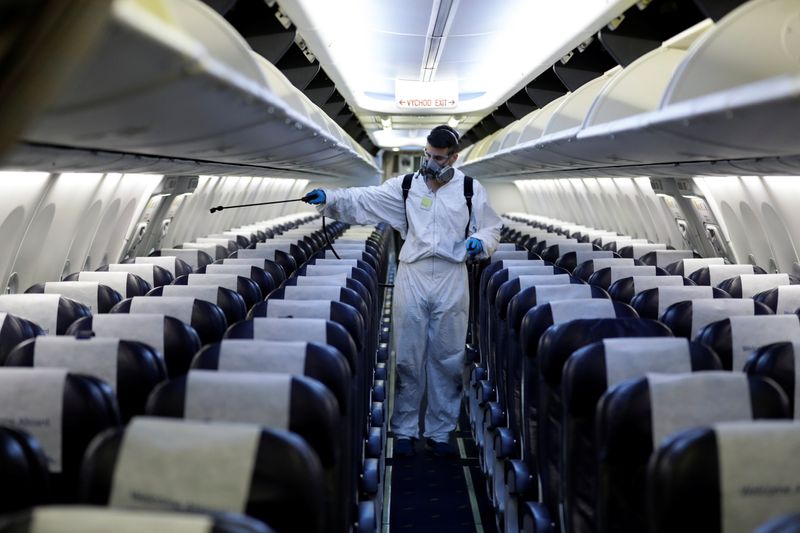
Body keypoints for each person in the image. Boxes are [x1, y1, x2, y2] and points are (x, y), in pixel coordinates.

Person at [303, 125, 503, 457]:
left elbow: (491, 226)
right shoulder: (406, 187)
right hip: (414, 273)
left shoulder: (470, 189)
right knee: (408, 355)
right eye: (428, 155)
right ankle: (406, 430)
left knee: (448, 356)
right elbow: (363, 200)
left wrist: (480, 242)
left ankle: (441, 433)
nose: (432, 162)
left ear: (453, 157)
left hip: (453, 275)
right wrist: (331, 198)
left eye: (439, 158)